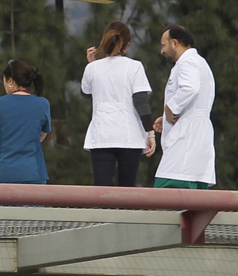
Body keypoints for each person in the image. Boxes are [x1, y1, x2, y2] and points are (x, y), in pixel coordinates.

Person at [81, 21, 156, 187]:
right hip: (129, 136)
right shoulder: (134, 66)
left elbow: (87, 93)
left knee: (101, 192)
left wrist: (91, 65)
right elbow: (140, 102)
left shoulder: (93, 68)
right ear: (127, 44)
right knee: (127, 192)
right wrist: (150, 133)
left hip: (101, 136)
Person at [153, 25, 215, 189]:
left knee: (164, 197)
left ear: (174, 43)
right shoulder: (200, 62)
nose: (162, 51)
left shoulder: (187, 62)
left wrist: (170, 108)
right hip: (198, 140)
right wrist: (165, 118)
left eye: (163, 44)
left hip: (186, 143)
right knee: (194, 205)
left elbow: (190, 88)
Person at [0, 60, 50, 184]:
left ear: (10, 81)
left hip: (3, 172)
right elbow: (42, 135)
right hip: (34, 172)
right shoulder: (43, 104)